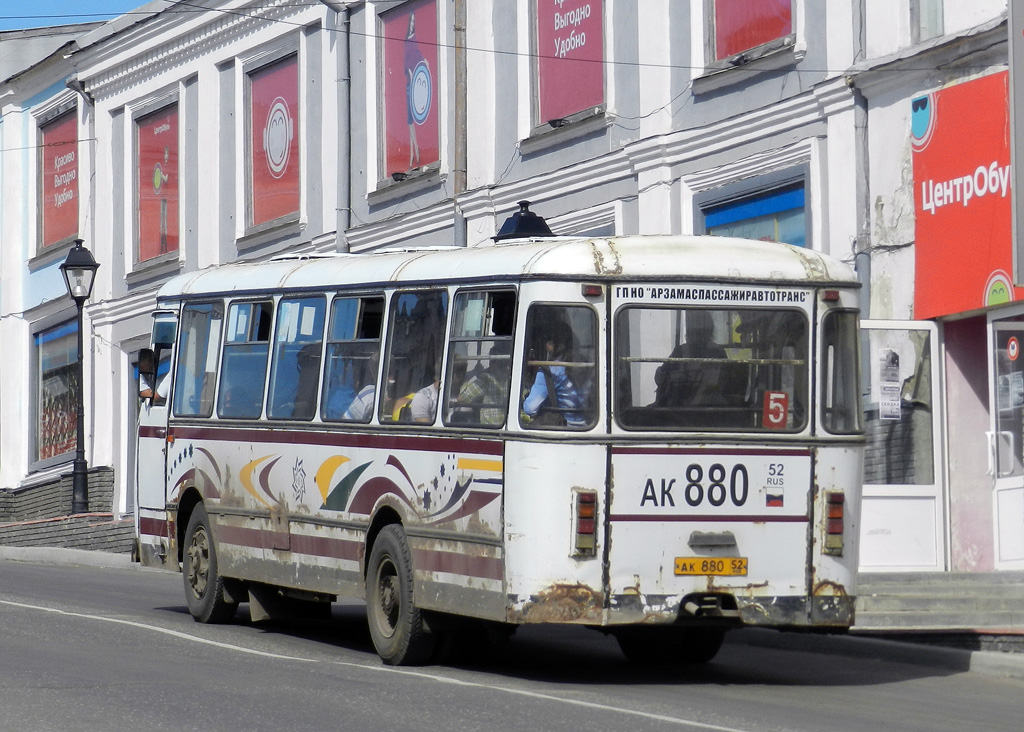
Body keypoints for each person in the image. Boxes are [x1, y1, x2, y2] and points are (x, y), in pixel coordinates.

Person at [653, 310, 726, 408]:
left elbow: (724, 384)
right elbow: (661, 378)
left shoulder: (718, 352)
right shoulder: (680, 351)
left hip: (710, 407)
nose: (695, 335)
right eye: (693, 330)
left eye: (698, 331)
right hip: (679, 406)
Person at [522, 331, 587, 427]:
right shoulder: (586, 364)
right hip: (587, 425)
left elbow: (530, 409)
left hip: (564, 428)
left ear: (549, 345)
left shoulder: (549, 370)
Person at [456, 342, 512, 425]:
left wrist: (471, 378)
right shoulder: (512, 376)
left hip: (491, 427)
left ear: (494, 361)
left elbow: (463, 398)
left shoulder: (487, 378)